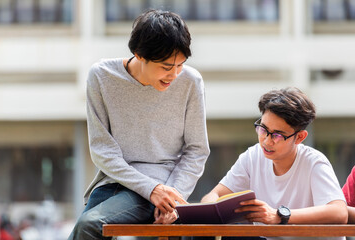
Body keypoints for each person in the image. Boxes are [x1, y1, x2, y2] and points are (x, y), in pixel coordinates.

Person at [68, 9, 210, 240]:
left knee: (90, 225)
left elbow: (196, 151)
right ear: (139, 54)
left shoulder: (191, 82)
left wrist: (172, 197)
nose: (174, 75)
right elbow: (102, 150)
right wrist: (150, 189)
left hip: (165, 182)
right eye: (166, 67)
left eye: (180, 65)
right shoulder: (101, 76)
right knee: (88, 226)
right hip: (113, 182)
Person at [198, 87, 347, 240]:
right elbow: (214, 195)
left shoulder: (314, 162)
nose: (267, 141)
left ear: (300, 137)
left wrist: (279, 215)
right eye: (263, 130)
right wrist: (212, 209)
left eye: (277, 135)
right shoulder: (252, 156)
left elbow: (339, 213)